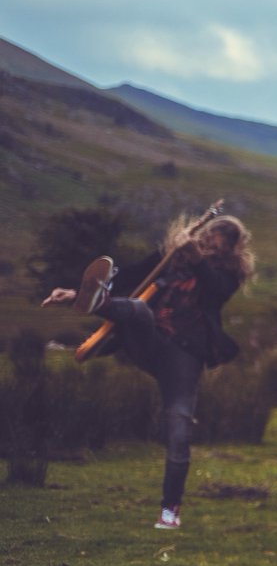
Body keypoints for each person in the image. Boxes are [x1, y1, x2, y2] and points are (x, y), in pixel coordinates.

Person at [42, 213, 255, 531]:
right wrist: (76, 294)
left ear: (231, 252)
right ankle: (94, 303)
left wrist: (197, 259)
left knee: (179, 427)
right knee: (139, 310)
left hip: (185, 357)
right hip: (149, 343)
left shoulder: (229, 276)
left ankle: (170, 511)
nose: (210, 250)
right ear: (200, 236)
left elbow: (215, 289)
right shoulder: (169, 258)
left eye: (218, 248)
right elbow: (126, 279)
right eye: (207, 242)